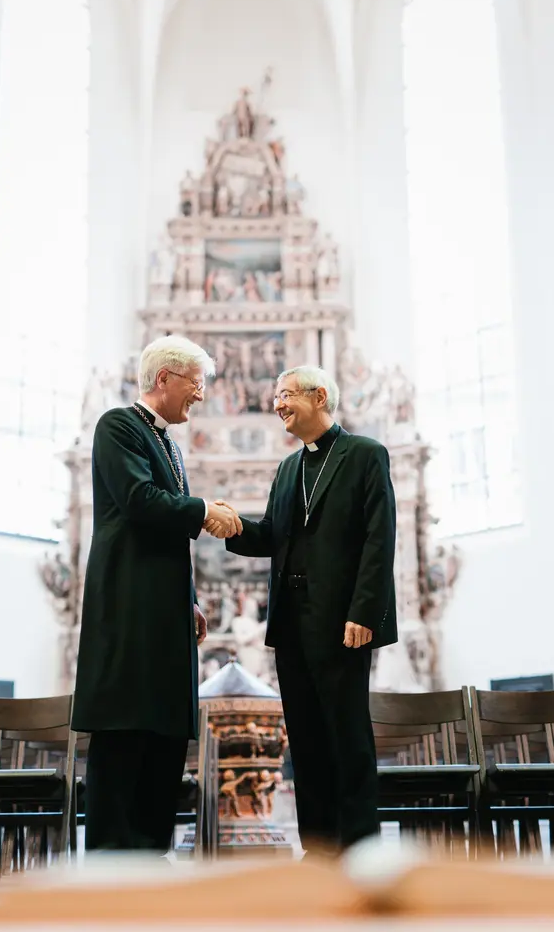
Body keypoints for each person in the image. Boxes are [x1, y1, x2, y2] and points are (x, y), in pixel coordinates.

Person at [207, 365, 397, 856]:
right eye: (276, 396)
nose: (277, 404)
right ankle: (319, 851)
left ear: (319, 397)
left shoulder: (365, 455)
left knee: (347, 737)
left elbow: (380, 538)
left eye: (286, 394)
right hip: (291, 624)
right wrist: (229, 525)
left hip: (343, 621)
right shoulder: (289, 467)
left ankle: (360, 851)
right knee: (308, 741)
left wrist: (365, 612)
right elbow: (272, 535)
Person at [72, 335, 242, 853]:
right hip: (127, 606)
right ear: (164, 378)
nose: (202, 393)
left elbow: (167, 535)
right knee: (126, 732)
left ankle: (150, 854)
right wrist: (203, 510)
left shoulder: (168, 442)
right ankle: (111, 864)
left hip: (165, 609)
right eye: (197, 381)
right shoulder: (118, 425)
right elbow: (140, 501)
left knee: (165, 735)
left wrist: (187, 596)